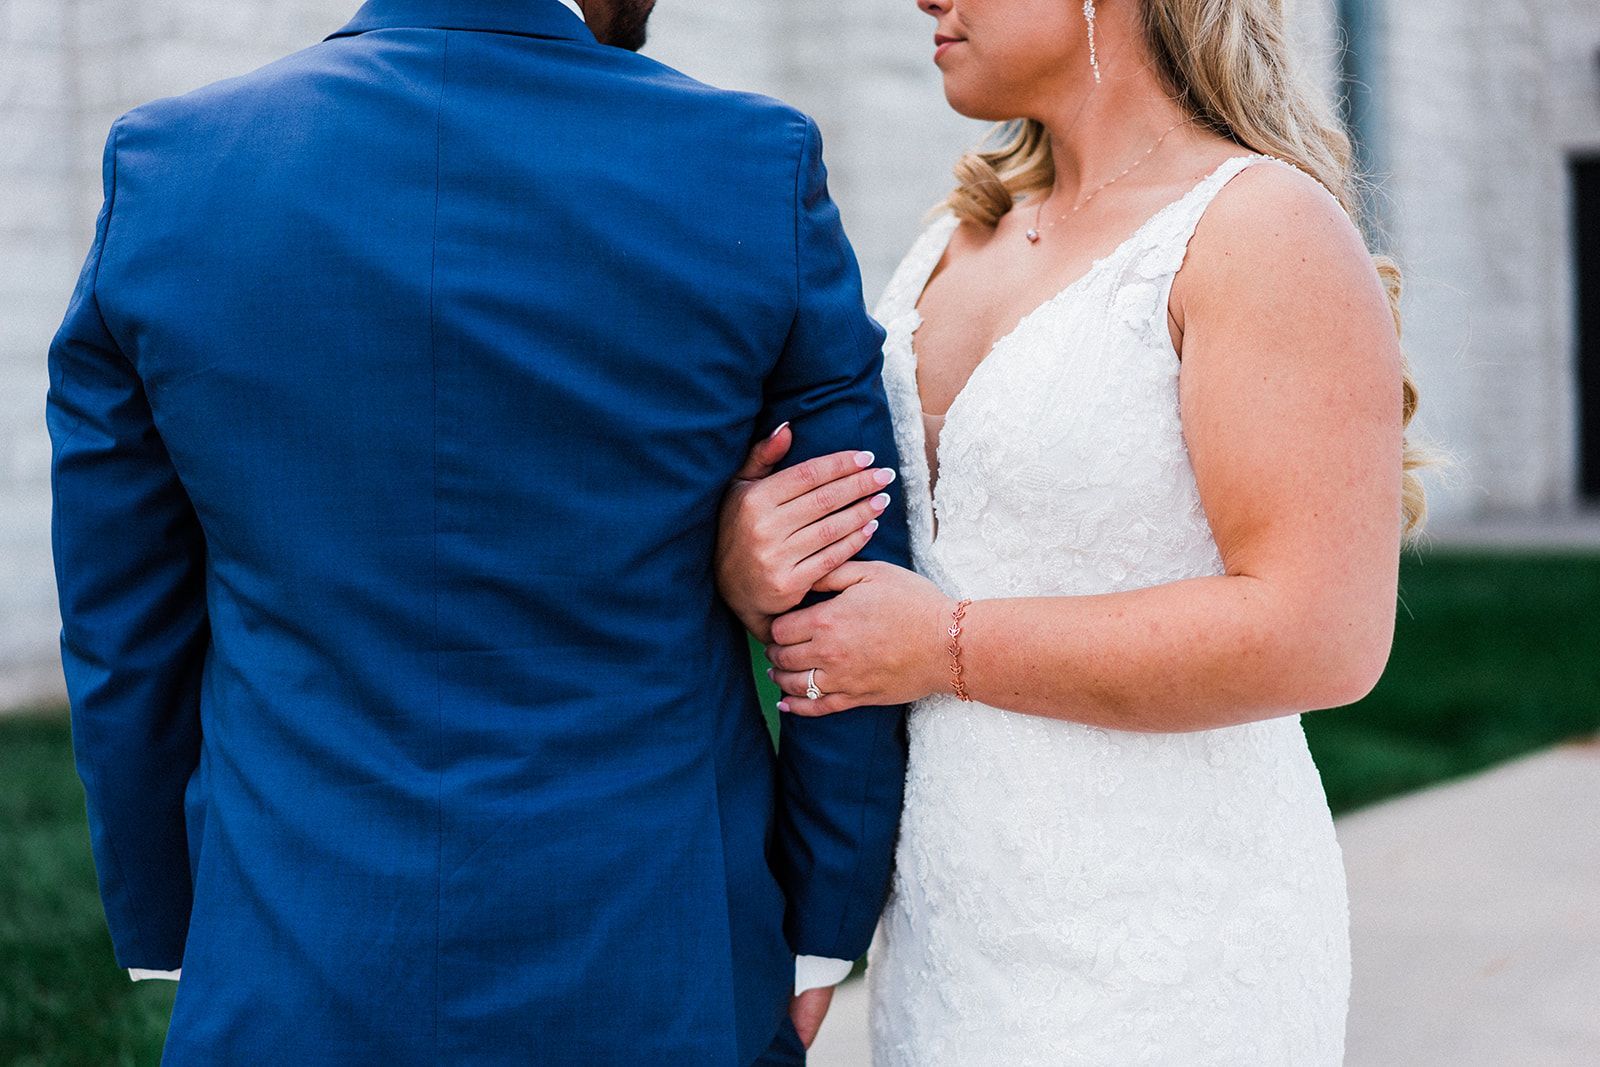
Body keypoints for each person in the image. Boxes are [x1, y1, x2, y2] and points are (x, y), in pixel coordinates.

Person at [45, 0, 910, 1061]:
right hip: (661, 958)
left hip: (293, 953)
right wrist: (820, 926)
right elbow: (848, 556)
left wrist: (176, 918)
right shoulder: (748, 163)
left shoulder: (170, 167)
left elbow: (121, 618)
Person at [718, 0, 1428, 1061]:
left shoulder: (1255, 228)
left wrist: (946, 644)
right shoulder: (958, 236)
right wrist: (752, 556)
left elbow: (1320, 631)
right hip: (952, 940)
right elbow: (888, 537)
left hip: (1170, 947)